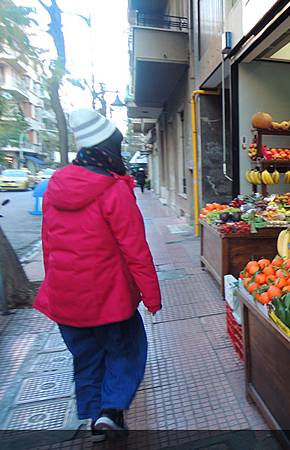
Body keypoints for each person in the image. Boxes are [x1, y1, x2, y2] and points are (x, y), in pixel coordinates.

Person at [33, 108, 162, 441]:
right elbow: (136, 250)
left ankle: (94, 417)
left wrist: (57, 287)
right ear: (109, 149)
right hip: (109, 299)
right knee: (126, 350)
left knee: (86, 357)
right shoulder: (114, 190)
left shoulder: (54, 188)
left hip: (66, 300)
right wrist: (152, 296)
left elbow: (49, 246)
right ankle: (111, 411)